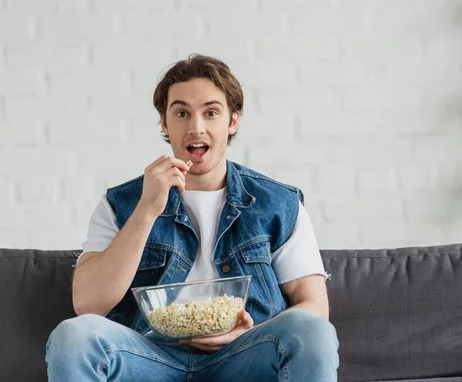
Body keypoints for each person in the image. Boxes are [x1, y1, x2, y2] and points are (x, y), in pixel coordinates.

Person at [45, 54, 339, 381]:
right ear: (164, 123)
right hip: (148, 356)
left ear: (233, 122)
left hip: (244, 354)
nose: (196, 127)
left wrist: (241, 333)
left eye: (211, 112)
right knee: (74, 335)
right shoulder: (122, 203)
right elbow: (89, 304)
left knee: (310, 329)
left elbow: (315, 308)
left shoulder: (277, 203)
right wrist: (147, 209)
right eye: (182, 113)